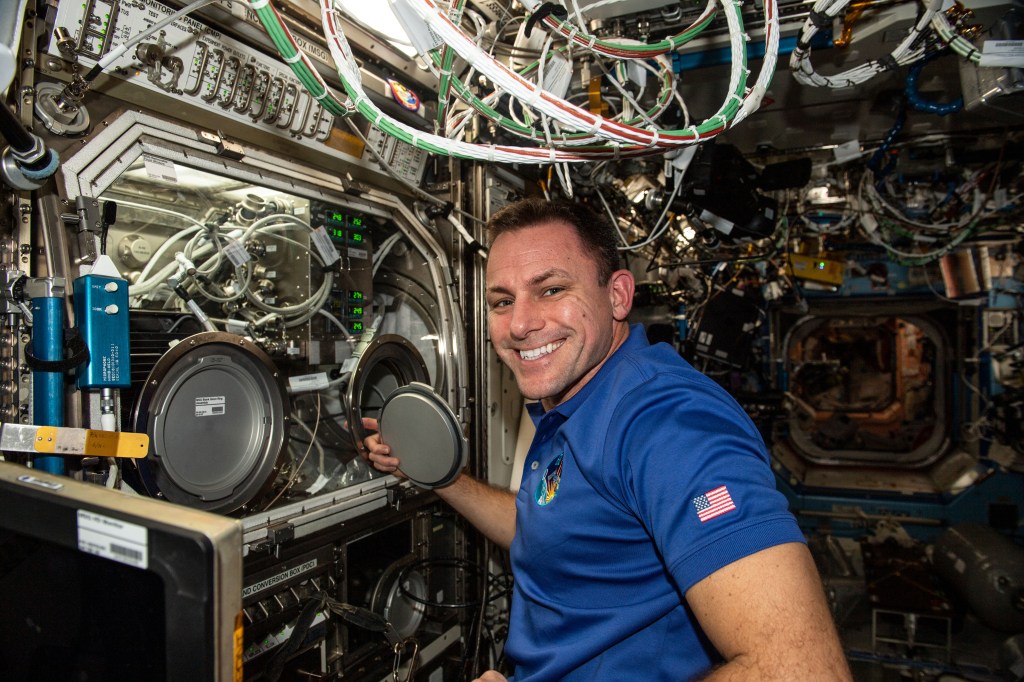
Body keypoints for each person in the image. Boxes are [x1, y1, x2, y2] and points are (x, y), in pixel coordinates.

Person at [362, 198, 852, 681]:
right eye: (502, 301)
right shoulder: (578, 401)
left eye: (551, 289)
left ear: (618, 295)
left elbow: (803, 669)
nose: (519, 324)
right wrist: (442, 477)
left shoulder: (667, 423)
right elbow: (553, 527)